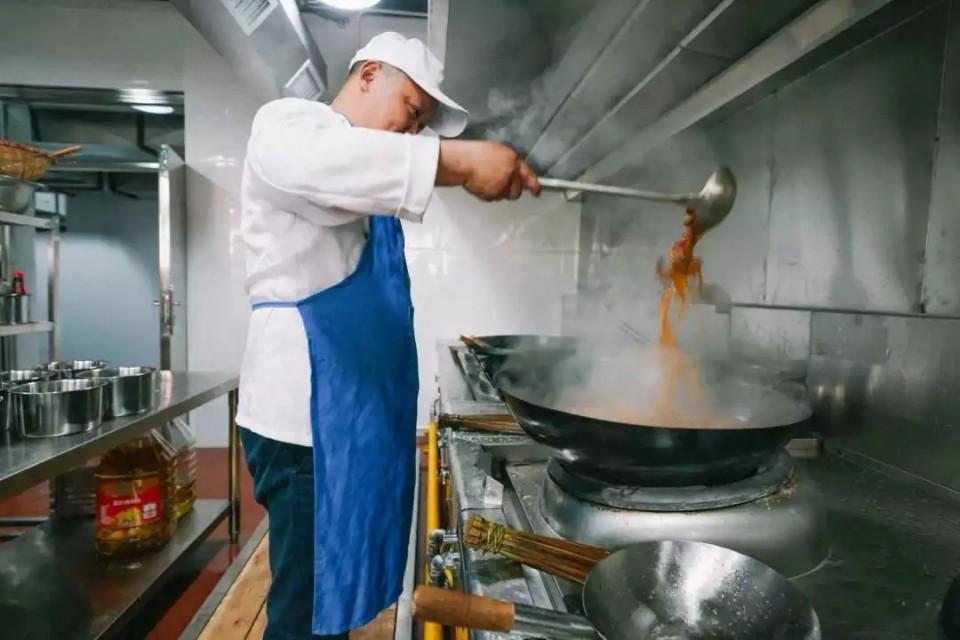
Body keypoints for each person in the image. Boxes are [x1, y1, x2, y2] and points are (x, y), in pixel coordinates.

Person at [237, 31, 540, 639]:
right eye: (411, 110)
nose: (411, 131)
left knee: (329, 601)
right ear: (369, 73)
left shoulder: (362, 191)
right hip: (307, 427)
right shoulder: (289, 126)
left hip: (345, 429)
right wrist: (462, 162)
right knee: (307, 610)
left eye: (421, 124)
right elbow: (323, 164)